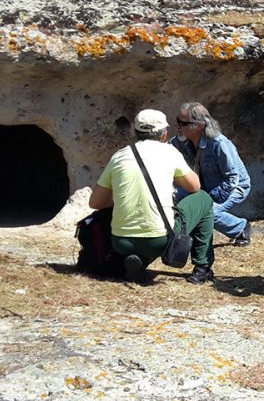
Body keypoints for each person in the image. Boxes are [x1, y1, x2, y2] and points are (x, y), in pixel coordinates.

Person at [89, 110, 216, 284]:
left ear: (135, 132)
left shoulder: (119, 156)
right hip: (159, 240)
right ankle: (203, 267)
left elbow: (95, 202)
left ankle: (135, 261)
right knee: (204, 199)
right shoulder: (169, 152)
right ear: (164, 134)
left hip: (120, 241)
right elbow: (195, 187)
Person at [170, 102, 253, 246]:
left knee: (207, 212)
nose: (178, 126)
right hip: (205, 188)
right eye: (178, 121)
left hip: (233, 187)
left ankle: (241, 228)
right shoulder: (182, 141)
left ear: (200, 126)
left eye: (183, 123)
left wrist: (208, 199)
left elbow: (232, 178)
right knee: (172, 197)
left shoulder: (219, 144)